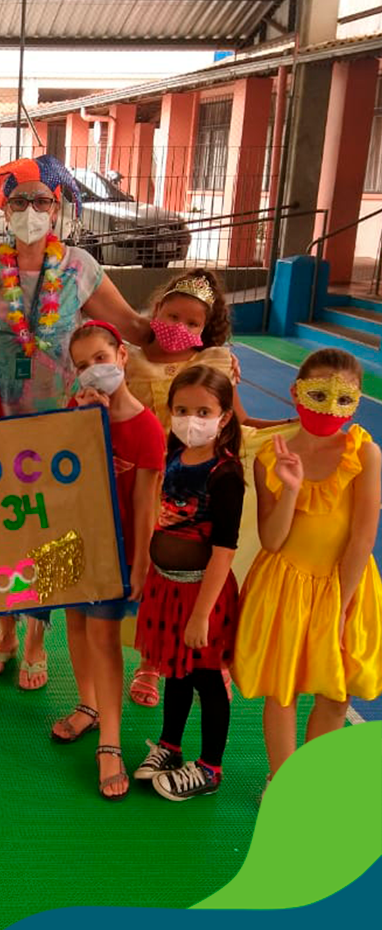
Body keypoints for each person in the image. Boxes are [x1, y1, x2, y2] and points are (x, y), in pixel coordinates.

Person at [0, 155, 152, 691]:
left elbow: (132, 326)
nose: (31, 211)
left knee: (46, 532)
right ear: (5, 210)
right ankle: (5, 633)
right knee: (0, 529)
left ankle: (37, 638)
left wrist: (194, 339)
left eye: (41, 201)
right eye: (20, 202)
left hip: (62, 427)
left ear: (56, 209)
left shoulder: (80, 266)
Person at [123, 269, 292, 708]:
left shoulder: (214, 361)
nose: (180, 326)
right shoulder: (129, 359)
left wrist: (295, 428)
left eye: (192, 322)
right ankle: (150, 660)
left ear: (206, 327)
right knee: (154, 570)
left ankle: (210, 654)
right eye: (172, 316)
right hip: (148, 481)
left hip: (199, 484)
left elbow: (241, 420)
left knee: (203, 569)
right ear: (156, 310)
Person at [233, 349, 381, 786]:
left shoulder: (365, 454)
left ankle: (311, 782)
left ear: (356, 402)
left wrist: (340, 607)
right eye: (319, 394)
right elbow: (273, 540)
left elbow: (362, 537)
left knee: (336, 693)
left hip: (345, 586)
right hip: (285, 586)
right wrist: (292, 489)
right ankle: (283, 781)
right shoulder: (270, 456)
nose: (330, 407)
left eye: (344, 399)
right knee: (283, 688)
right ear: (296, 392)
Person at [50, 321, 165, 800]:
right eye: (82, 365)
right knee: (76, 626)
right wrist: (84, 425)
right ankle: (89, 705)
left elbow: (144, 505)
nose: (93, 371)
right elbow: (58, 478)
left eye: (100, 358)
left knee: (103, 638)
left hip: (113, 551)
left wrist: (139, 564)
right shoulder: (76, 414)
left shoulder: (147, 428)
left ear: (121, 356)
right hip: (74, 543)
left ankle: (111, 743)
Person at [133, 366, 244, 802]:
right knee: (173, 670)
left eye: (203, 412)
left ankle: (210, 767)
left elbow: (224, 550)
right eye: (181, 410)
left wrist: (201, 614)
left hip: (202, 594)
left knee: (206, 677)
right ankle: (170, 746)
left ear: (224, 417)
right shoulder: (174, 454)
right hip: (166, 587)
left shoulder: (225, 473)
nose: (190, 420)